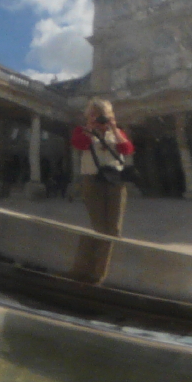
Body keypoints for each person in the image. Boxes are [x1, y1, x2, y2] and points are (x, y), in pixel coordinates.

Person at [69, 99, 133, 282]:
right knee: (98, 228)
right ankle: (81, 269)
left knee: (113, 229)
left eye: (102, 114)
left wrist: (113, 128)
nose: (99, 118)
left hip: (115, 180)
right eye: (94, 114)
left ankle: (98, 275)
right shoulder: (82, 130)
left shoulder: (117, 131)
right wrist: (90, 129)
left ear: (110, 115)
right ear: (88, 116)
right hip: (92, 179)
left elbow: (127, 149)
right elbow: (79, 144)